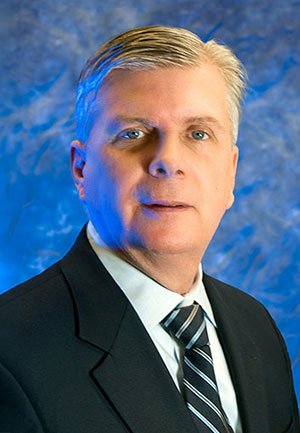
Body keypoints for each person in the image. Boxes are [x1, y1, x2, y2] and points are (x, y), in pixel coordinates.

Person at [0, 26, 299, 433]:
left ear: (230, 173)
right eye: (133, 134)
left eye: (198, 133)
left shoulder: (256, 328)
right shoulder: (10, 352)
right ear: (81, 169)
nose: (167, 161)